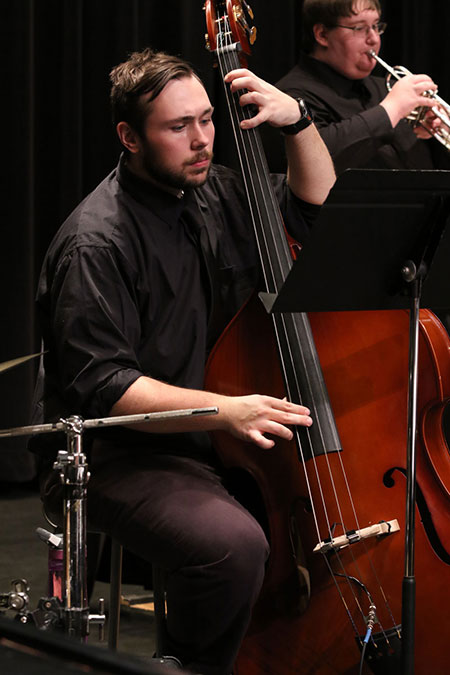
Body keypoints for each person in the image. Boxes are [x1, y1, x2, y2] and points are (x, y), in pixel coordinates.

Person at [30, 47, 335, 675]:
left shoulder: (216, 188)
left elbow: (317, 204)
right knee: (232, 546)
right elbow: (108, 389)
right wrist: (224, 410)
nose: (201, 140)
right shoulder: (96, 242)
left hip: (213, 438)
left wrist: (298, 121)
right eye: (178, 127)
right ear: (129, 137)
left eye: (206, 120)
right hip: (118, 456)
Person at [276, 0, 450, 176]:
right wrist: (391, 110)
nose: (374, 39)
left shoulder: (383, 88)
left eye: (375, 26)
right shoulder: (291, 96)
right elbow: (311, 163)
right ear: (322, 35)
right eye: (359, 28)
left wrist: (432, 131)